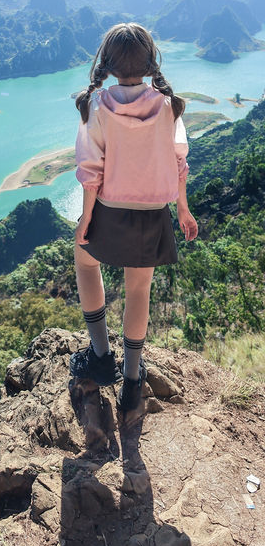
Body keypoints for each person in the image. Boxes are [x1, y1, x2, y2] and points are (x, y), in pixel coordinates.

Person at [69, 22, 198, 415]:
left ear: (106, 65)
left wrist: (85, 220)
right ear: (150, 62)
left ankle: (101, 354)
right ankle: (132, 378)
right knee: (138, 291)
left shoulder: (97, 106)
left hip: (109, 211)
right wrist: (183, 209)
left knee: (85, 262)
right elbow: (179, 163)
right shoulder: (168, 106)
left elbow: (92, 171)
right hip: (152, 217)